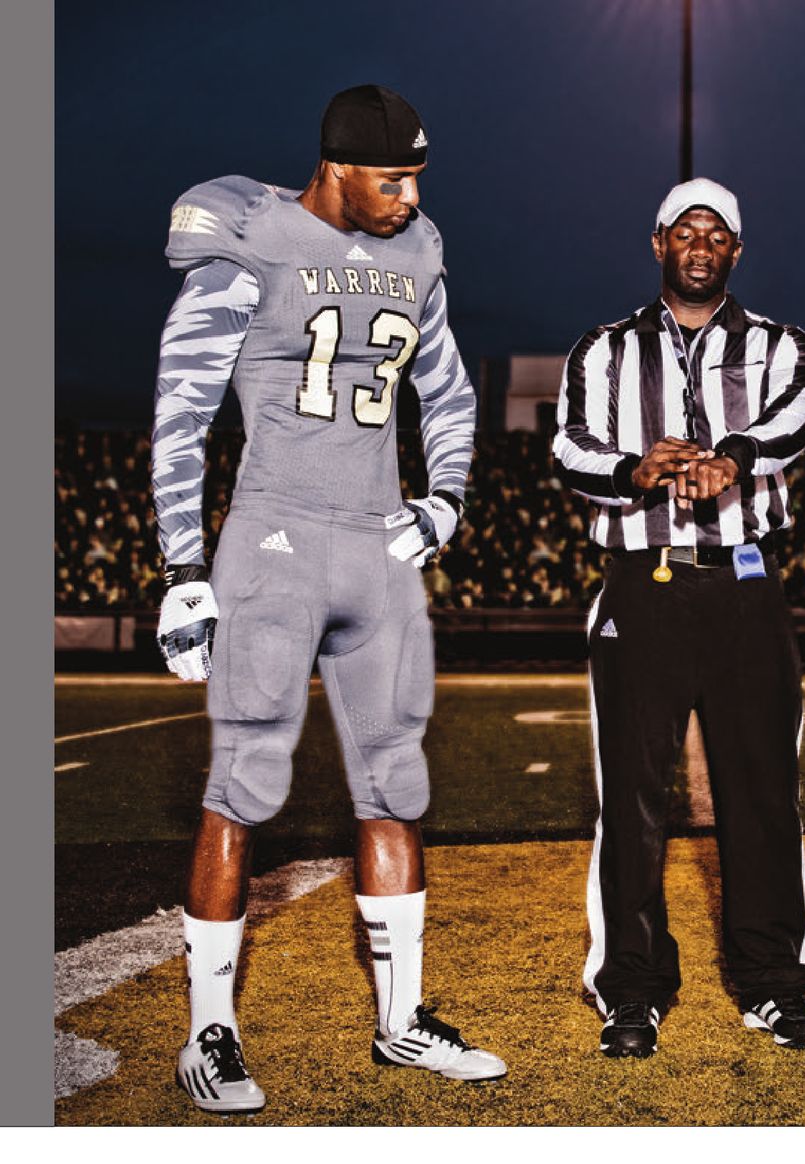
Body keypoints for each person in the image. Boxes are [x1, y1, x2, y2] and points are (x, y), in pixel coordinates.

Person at [152, 84, 506, 1115]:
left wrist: (444, 503)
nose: (407, 197)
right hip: (273, 537)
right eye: (390, 178)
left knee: (395, 785)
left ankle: (401, 1022)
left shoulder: (420, 250)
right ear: (337, 167)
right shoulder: (251, 232)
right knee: (243, 784)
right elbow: (181, 409)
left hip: (377, 544)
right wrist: (181, 567)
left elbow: (446, 389)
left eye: (416, 180)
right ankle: (207, 1032)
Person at [553, 177, 805, 1059]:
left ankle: (774, 984)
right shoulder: (602, 349)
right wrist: (637, 468)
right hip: (642, 584)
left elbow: (803, 410)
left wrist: (737, 456)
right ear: (658, 244)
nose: (700, 244)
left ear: (736, 250)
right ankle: (631, 988)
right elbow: (567, 443)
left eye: (716, 232)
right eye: (684, 231)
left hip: (747, 586)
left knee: (762, 795)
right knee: (632, 802)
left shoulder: (784, 344)